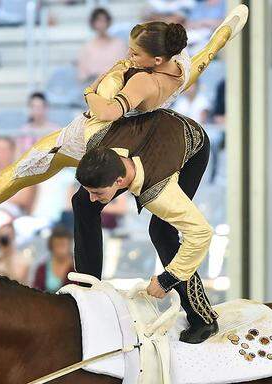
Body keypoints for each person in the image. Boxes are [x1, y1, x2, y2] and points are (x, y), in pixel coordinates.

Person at [0, 6, 249, 234]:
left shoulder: (143, 80)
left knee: (7, 183)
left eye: (135, 53)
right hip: (120, 139)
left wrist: (90, 90)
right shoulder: (183, 67)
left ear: (156, 60)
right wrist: (232, 23)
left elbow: (107, 111)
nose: (128, 55)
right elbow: (210, 50)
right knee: (14, 184)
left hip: (86, 138)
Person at [73, 108, 217, 344]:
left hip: (191, 144)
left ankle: (203, 318)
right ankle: (90, 293)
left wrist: (167, 279)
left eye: (98, 192)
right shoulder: (95, 135)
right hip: (149, 132)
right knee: (81, 203)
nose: (93, 196)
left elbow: (202, 233)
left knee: (161, 230)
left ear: (119, 182)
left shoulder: (159, 192)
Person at [77, 7, 128, 83]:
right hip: (94, 87)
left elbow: (126, 67)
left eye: (104, 21)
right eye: (98, 21)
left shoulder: (119, 45)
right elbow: (82, 75)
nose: (101, 24)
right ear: (93, 23)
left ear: (108, 22)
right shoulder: (87, 47)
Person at [32, 226, 73, 293]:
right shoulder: (42, 269)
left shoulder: (77, 268)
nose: (60, 249)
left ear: (69, 246)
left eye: (63, 245)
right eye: (57, 245)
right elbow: (36, 292)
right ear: (51, 246)